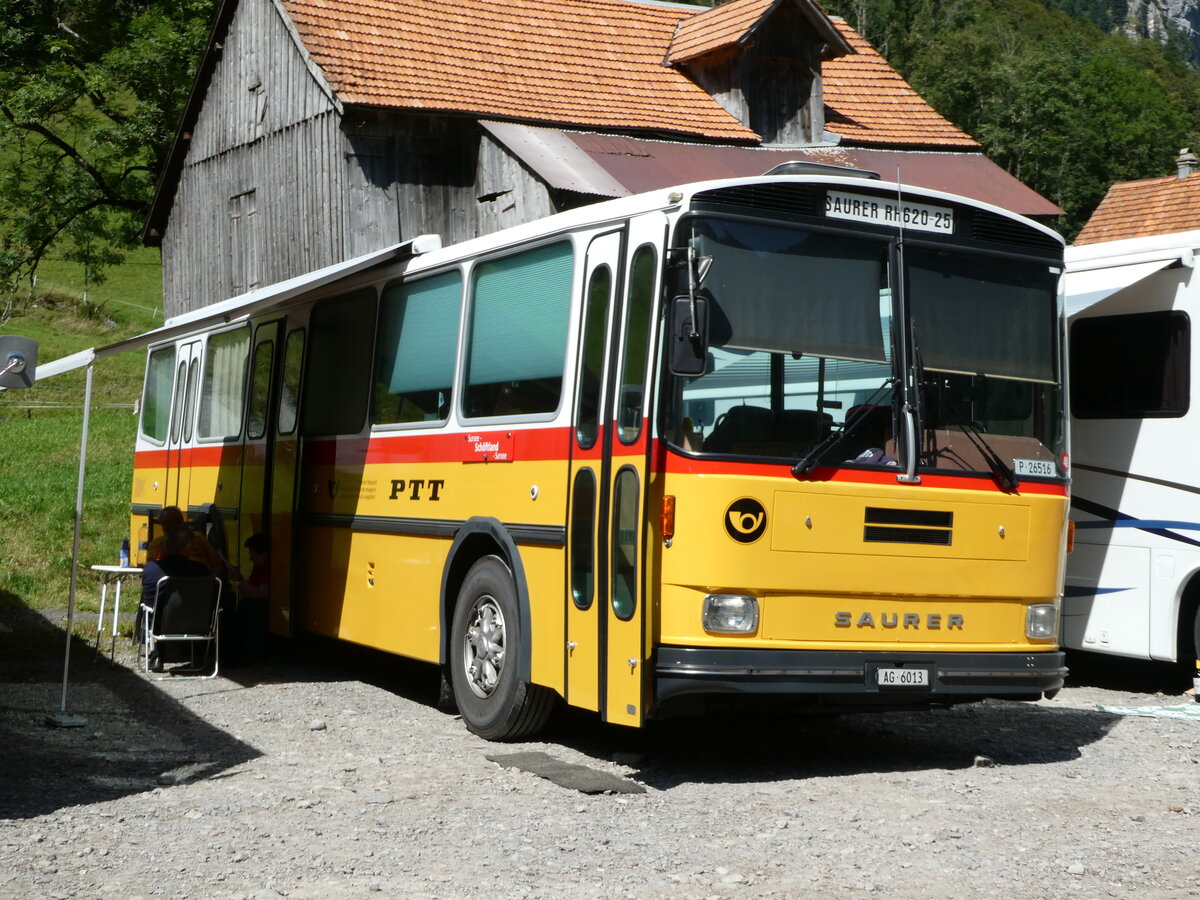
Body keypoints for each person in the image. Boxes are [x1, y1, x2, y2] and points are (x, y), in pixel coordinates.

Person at [140, 525, 212, 672]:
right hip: (197, 624)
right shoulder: (201, 570)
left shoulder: (152, 569)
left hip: (161, 626)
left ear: (166, 545)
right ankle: (207, 655)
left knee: (154, 608)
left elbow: (148, 601)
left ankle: (157, 656)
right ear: (189, 548)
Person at [226, 532, 269, 664]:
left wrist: (239, 581)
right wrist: (239, 578)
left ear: (264, 554)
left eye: (253, 555)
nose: (250, 559)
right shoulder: (259, 566)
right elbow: (250, 587)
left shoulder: (267, 568)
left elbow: (261, 594)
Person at [146, 506, 224, 574]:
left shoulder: (197, 537)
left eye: (177, 521)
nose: (173, 525)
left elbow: (216, 563)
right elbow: (153, 566)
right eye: (167, 522)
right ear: (162, 525)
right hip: (170, 579)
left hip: (199, 579)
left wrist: (212, 581)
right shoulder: (156, 544)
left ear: (182, 521)